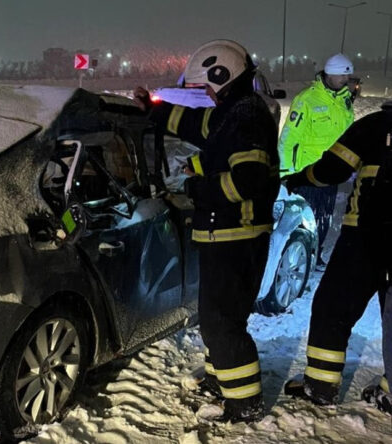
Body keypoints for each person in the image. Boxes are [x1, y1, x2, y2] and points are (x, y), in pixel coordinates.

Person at [135, 39, 279, 422]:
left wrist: (197, 188)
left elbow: (247, 179)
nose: (207, 95)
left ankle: (244, 404)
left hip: (236, 236)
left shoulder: (245, 117)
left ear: (224, 75)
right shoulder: (236, 112)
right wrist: (154, 111)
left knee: (220, 321)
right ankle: (223, 383)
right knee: (223, 317)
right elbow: (199, 128)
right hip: (234, 235)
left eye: (208, 87)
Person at [283, 102, 392, 409]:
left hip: (365, 234)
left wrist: (298, 178)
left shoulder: (376, 124)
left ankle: (320, 385)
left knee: (333, 307)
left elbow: (332, 169)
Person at [278, 54, 355, 269]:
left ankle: (315, 255)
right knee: (304, 219)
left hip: (332, 172)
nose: (346, 80)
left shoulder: (344, 101)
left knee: (325, 218)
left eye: (347, 76)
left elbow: (348, 135)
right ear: (330, 73)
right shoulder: (307, 100)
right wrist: (286, 171)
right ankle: (295, 260)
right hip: (307, 172)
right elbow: (288, 138)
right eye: (342, 75)